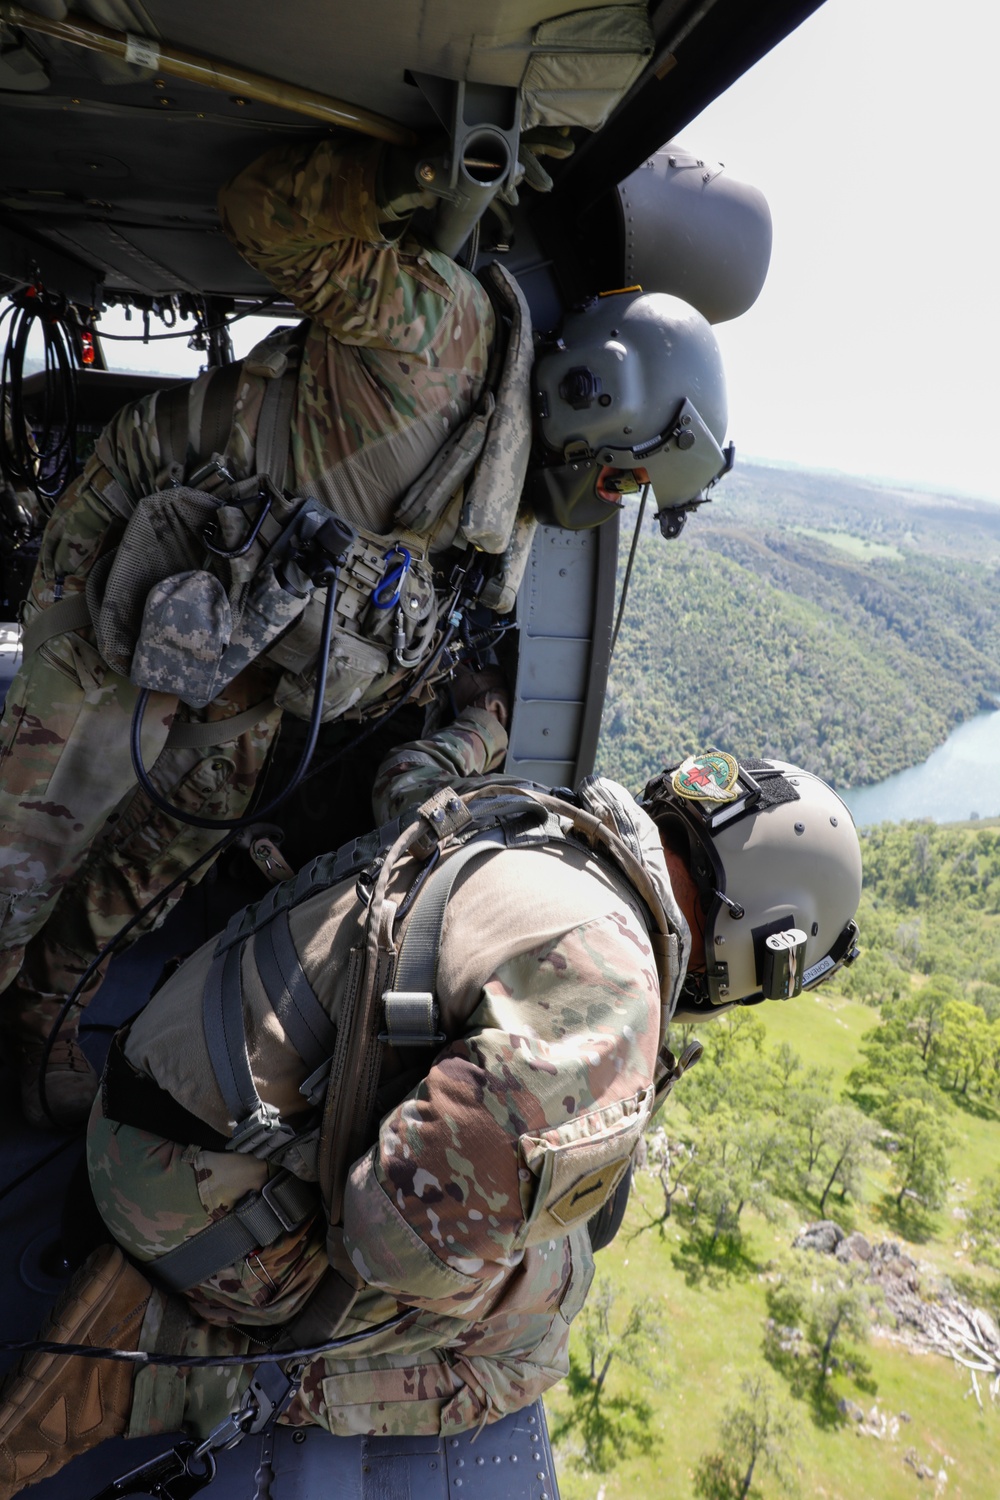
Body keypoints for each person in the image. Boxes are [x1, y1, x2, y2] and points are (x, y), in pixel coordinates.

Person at [0, 128, 735, 1129]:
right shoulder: (442, 335)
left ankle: (42, 1016)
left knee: (157, 860)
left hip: (263, 654)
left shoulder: (507, 501)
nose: (605, 504)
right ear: (588, 402)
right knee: (31, 839)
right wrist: (409, 176)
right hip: (153, 568)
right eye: (619, 480)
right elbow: (262, 213)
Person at [0, 698, 862, 1494]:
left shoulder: (525, 819)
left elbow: (405, 782)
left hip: (153, 1077)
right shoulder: (611, 982)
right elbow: (392, 1249)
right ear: (764, 944)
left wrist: (478, 725)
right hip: (181, 1200)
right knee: (542, 1322)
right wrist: (523, 1241)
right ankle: (166, 1373)